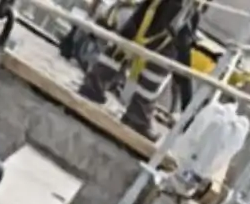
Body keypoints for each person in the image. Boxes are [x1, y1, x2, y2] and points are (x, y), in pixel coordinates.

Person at [77, 0, 205, 140]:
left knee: (128, 39)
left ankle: (94, 84)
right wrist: (188, 101)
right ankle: (138, 116)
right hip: (168, 16)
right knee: (163, 55)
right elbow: (183, 45)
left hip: (150, 12)